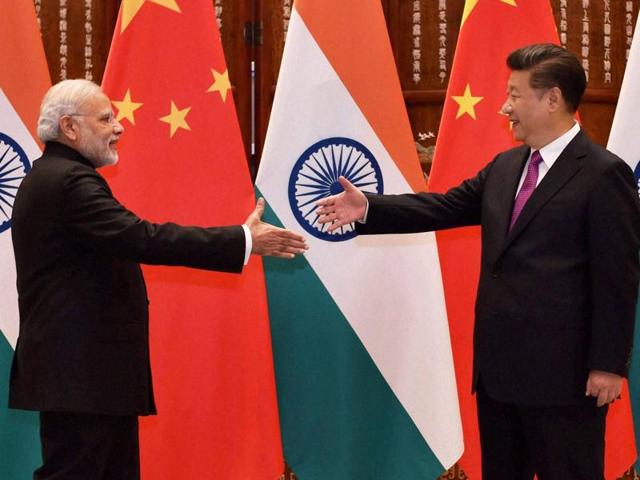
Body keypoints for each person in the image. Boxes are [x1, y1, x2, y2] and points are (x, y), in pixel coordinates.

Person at [317, 43, 640, 480]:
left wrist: (607, 364)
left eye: (515, 94)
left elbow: (616, 276)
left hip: (566, 381)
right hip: (499, 376)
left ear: (552, 99)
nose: (505, 107)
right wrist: (369, 208)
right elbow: (444, 207)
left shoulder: (604, 174)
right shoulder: (506, 167)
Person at [8, 79, 307, 480]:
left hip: (87, 374)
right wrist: (244, 240)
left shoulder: (55, 176)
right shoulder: (69, 182)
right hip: (81, 373)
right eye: (105, 118)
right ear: (70, 127)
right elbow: (142, 239)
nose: (118, 127)